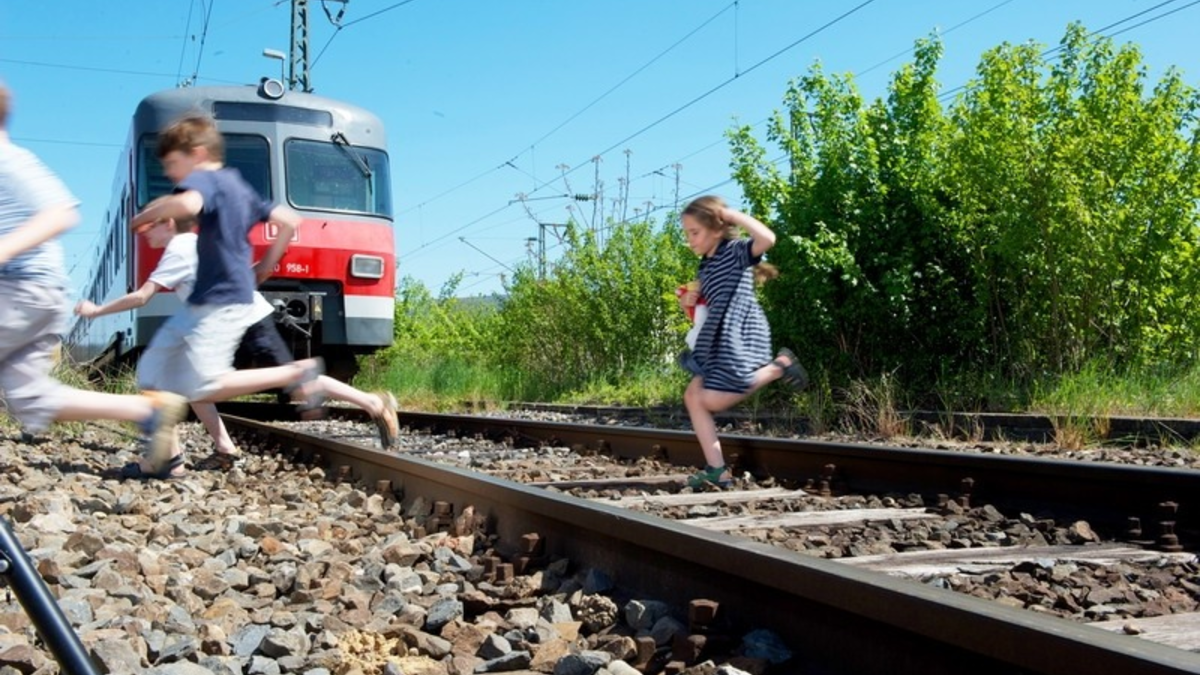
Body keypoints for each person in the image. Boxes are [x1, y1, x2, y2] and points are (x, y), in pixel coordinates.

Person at [74, 216, 400, 471]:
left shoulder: (177, 251)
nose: (144, 234)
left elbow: (142, 297)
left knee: (297, 384)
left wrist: (97, 310)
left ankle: (374, 404)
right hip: (240, 321)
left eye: (150, 227)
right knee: (192, 385)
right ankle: (225, 449)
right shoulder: (200, 243)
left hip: (246, 325)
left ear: (168, 223)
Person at [123, 114, 339, 479]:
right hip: (214, 296)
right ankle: (168, 458)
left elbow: (189, 206)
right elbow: (288, 221)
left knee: (203, 384)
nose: (173, 173)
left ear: (197, 153)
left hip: (218, 296)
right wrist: (267, 265)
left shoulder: (203, 179)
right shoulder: (239, 184)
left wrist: (148, 212)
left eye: (173, 164)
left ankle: (296, 371)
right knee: (152, 371)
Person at [0, 82, 189, 472]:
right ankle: (148, 411)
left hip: (20, 288)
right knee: (28, 397)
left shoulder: (7, 160)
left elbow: (61, 212)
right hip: (34, 291)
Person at [677, 195, 808, 489]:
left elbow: (768, 238)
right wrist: (691, 300)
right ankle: (717, 470)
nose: (690, 240)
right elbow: (708, 303)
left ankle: (779, 365)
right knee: (693, 396)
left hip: (740, 334)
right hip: (716, 338)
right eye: (687, 233)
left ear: (717, 228)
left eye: (694, 232)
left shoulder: (736, 252)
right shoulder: (705, 266)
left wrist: (731, 214)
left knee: (715, 400)